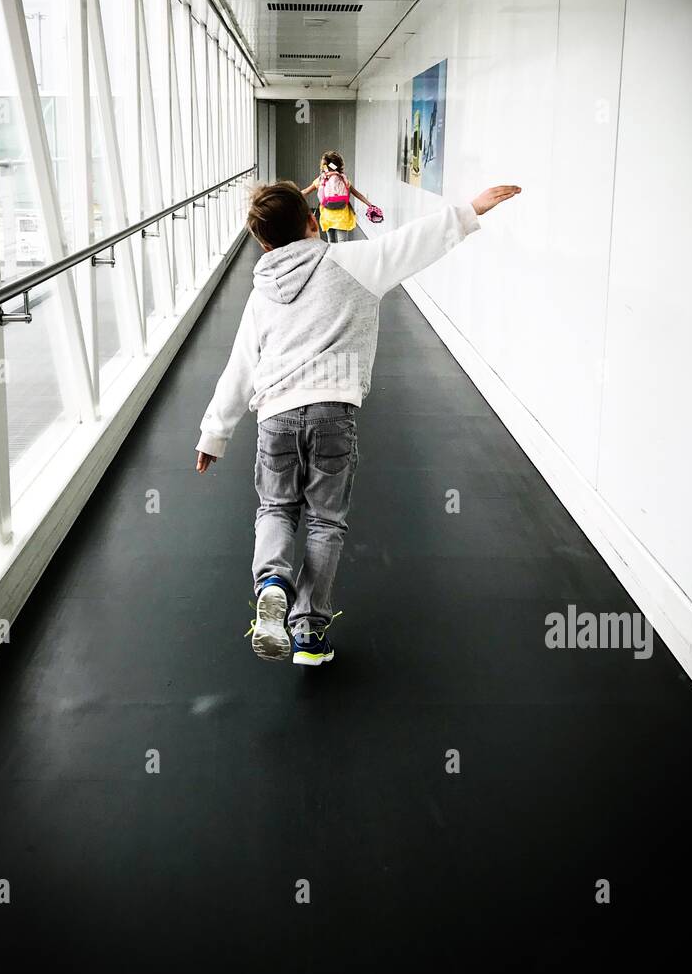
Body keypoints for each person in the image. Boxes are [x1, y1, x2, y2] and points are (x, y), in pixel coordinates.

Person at [194, 178, 521, 667]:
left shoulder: (261, 294)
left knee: (276, 508)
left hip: (276, 416)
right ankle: (309, 635)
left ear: (263, 243)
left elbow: (240, 366)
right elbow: (414, 242)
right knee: (325, 521)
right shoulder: (354, 262)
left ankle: (273, 582)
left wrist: (214, 433)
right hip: (334, 412)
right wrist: (471, 209)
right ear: (313, 221)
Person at [303, 150, 378, 242]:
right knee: (343, 244)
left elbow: (305, 191)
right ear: (339, 165)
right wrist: (370, 205)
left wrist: (291, 194)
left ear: (324, 165)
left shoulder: (321, 179)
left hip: (327, 217)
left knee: (331, 242)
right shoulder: (343, 179)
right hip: (342, 217)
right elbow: (357, 194)